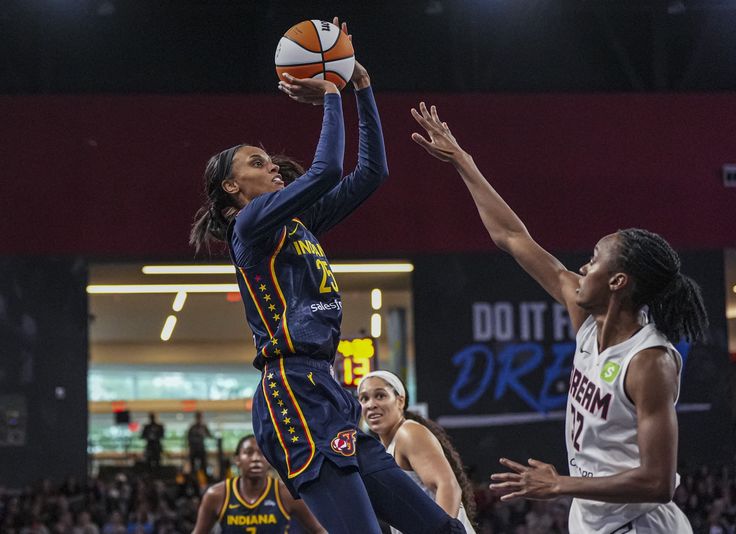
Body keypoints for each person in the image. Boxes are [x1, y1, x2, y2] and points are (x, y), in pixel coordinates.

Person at [189, 19, 465, 534]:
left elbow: (371, 174)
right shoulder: (249, 226)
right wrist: (332, 92)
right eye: (257, 162)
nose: (272, 167)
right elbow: (326, 172)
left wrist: (360, 85)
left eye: (271, 160)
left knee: (440, 529)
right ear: (231, 187)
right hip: (290, 393)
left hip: (327, 389)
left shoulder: (296, 224)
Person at [410, 102, 709, 533]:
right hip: (593, 519)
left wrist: (559, 485)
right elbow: (512, 237)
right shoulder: (587, 320)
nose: (583, 267)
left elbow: (658, 482)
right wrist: (463, 161)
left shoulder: (649, 361)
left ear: (618, 281)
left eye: (594, 260)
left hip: (639, 524)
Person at [357, 370, 477, 533]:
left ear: (400, 401)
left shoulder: (408, 433)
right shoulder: (387, 448)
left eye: (380, 396)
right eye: (364, 398)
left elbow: (448, 486)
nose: (371, 404)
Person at [192, 435, 324, 534]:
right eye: (248, 452)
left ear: (269, 460)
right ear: (237, 460)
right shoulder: (216, 495)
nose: (255, 458)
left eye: (261, 453)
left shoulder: (286, 493)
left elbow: (320, 531)